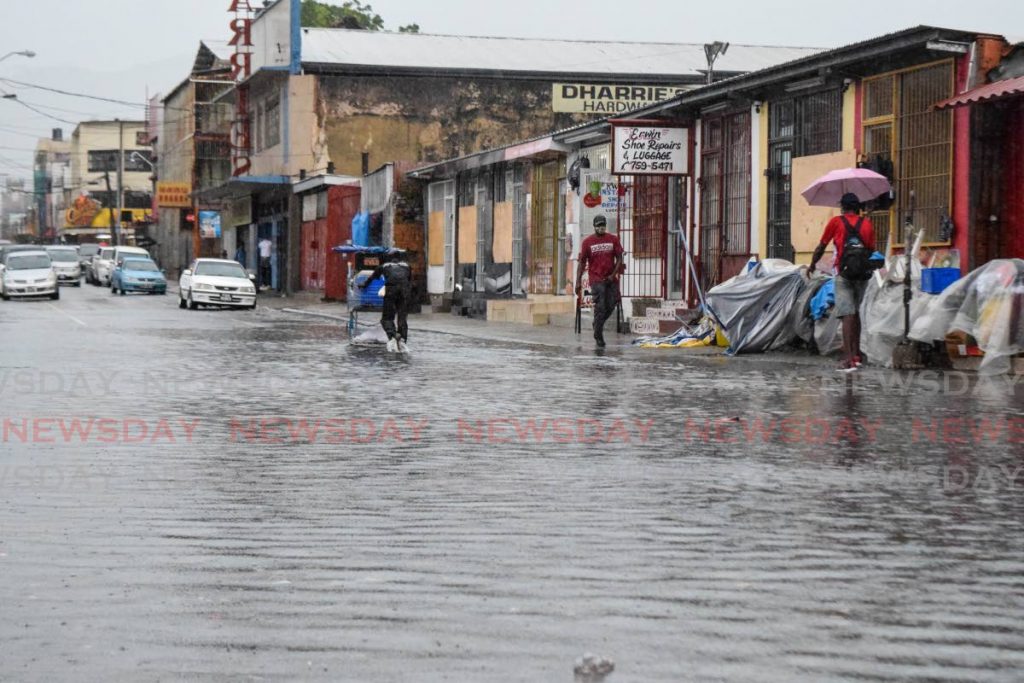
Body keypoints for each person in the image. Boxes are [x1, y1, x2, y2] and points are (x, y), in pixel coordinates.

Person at [807, 192, 876, 372]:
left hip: (843, 274)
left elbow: (821, 245)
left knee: (847, 314)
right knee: (856, 312)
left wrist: (813, 264)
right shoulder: (867, 224)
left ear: (843, 207)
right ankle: (857, 355)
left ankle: (848, 360)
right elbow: (871, 249)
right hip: (862, 275)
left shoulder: (836, 222)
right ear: (857, 207)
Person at [575, 214, 624, 348]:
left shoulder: (613, 239)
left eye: (603, 226)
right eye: (598, 226)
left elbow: (619, 258)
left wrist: (613, 274)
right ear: (594, 227)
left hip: (610, 277)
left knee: (612, 304)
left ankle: (597, 324)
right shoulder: (587, 242)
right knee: (600, 306)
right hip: (596, 279)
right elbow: (581, 263)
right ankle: (599, 334)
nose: (601, 228)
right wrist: (578, 281)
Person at [366, 249, 413, 352]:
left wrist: (364, 285)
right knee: (402, 317)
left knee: (386, 318)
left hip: (391, 290)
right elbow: (409, 280)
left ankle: (393, 334)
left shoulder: (385, 266)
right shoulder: (407, 266)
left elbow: (372, 277)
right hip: (404, 292)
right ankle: (403, 339)